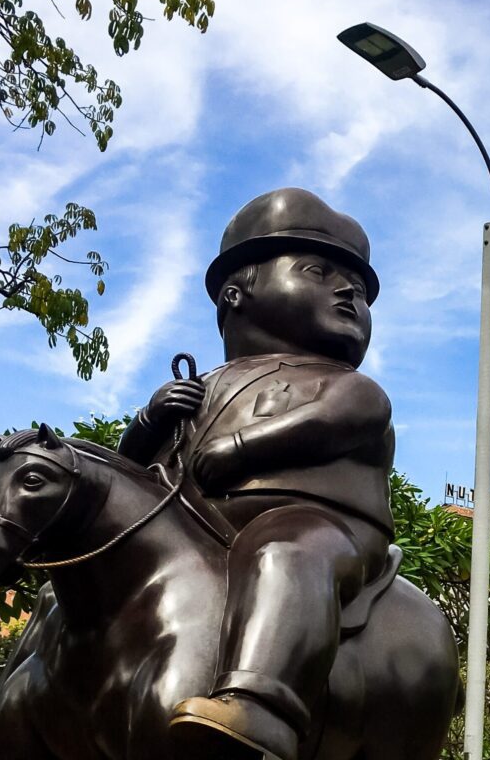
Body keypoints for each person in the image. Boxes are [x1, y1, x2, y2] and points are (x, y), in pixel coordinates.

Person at [119, 187, 395, 760]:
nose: (348, 291)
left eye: (359, 290)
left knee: (287, 549)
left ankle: (262, 710)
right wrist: (150, 422)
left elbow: (337, 419)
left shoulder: (347, 386)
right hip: (198, 535)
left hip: (326, 531)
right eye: (318, 271)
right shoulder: (201, 389)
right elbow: (134, 474)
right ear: (234, 293)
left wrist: (242, 448)